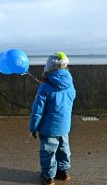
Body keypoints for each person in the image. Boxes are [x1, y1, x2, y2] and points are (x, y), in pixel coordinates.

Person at [29, 52, 76, 185]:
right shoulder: (70, 84)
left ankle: (48, 177)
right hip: (64, 125)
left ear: (48, 67)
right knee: (63, 148)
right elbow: (71, 98)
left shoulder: (44, 87)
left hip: (48, 128)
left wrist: (33, 127)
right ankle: (64, 172)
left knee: (48, 151)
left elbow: (37, 111)